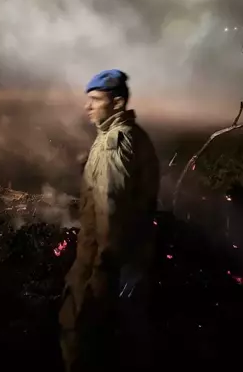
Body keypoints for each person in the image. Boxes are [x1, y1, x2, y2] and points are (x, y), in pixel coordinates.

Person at [59, 69, 160, 372]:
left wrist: (103, 260)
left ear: (116, 104)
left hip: (99, 259)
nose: (87, 107)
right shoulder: (132, 135)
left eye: (95, 100)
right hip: (125, 256)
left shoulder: (113, 141)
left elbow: (110, 204)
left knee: (77, 325)